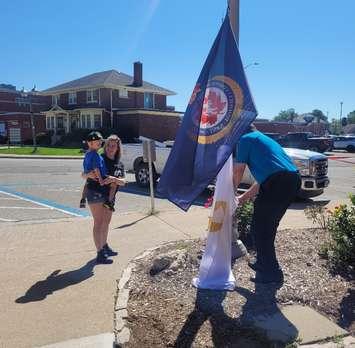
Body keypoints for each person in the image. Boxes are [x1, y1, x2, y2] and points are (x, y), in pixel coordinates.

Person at [233, 124, 301, 284]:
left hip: (278, 183)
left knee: (261, 228)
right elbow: (264, 179)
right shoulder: (264, 140)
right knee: (265, 227)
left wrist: (231, 191)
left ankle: (272, 273)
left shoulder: (245, 139)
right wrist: (241, 198)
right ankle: (265, 264)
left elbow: (238, 170)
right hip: (291, 180)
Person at [82, 134, 126, 264]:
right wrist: (85, 175)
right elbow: (84, 173)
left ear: (118, 148)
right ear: (105, 146)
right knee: (99, 222)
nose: (111, 148)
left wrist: (114, 179)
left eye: (114, 146)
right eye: (108, 145)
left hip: (110, 197)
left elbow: (123, 182)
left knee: (106, 222)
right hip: (96, 192)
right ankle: (100, 253)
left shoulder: (119, 163)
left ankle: (104, 245)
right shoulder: (99, 158)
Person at [80, 131, 117, 211]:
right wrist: (100, 180)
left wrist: (86, 173)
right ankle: (109, 202)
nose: (100, 143)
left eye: (100, 142)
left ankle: (83, 199)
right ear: (90, 143)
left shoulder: (87, 154)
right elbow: (96, 168)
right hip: (99, 175)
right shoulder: (95, 155)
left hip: (89, 175)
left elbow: (85, 166)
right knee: (114, 184)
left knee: (87, 183)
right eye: (97, 142)